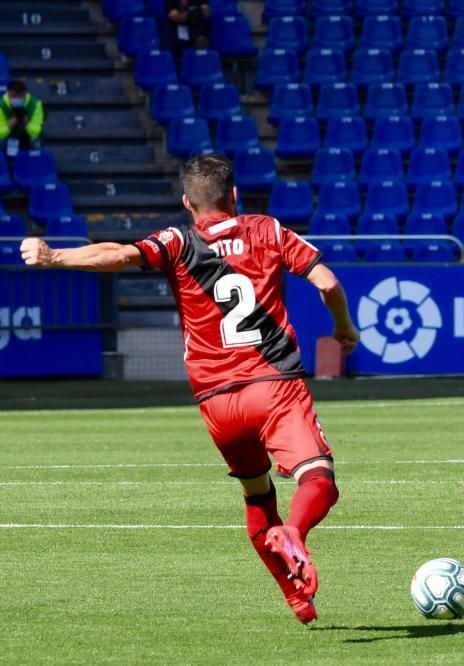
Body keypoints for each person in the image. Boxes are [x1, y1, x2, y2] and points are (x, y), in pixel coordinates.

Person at [20, 154, 360, 625]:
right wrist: (344, 328)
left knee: (258, 496)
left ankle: (296, 597)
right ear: (234, 195)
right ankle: (295, 534)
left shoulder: (176, 240)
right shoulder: (267, 230)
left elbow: (117, 254)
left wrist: (55, 256)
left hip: (217, 403)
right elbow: (328, 284)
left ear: (187, 202)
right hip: (273, 384)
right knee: (318, 478)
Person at [0, 80, 45, 157]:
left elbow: (36, 132)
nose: (17, 99)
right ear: (8, 93)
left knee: (35, 141)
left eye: (20, 96)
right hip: (9, 136)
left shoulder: (36, 104)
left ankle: (34, 165)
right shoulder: (1, 105)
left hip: (27, 137)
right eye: (13, 96)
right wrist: (12, 123)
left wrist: (26, 121)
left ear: (25, 94)